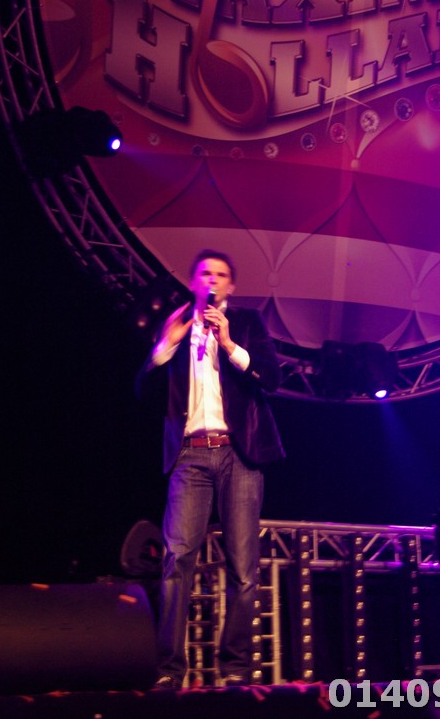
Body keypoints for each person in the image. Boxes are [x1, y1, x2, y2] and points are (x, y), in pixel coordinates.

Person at [143, 249, 284, 689]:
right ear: (193, 282)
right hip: (190, 455)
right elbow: (143, 389)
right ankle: (169, 671)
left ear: (231, 286)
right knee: (176, 560)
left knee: (242, 567)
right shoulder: (176, 326)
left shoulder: (247, 323)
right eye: (205, 273)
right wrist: (166, 346)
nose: (213, 280)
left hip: (238, 455)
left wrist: (229, 345)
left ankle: (236, 669)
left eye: (221, 275)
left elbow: (273, 379)